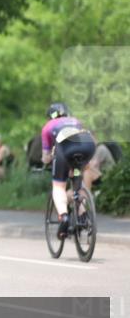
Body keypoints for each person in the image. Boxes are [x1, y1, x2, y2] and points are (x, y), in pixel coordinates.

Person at [40, 102, 95, 239]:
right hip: (87, 147)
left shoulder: (47, 127)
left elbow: (46, 157)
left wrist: (46, 161)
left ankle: (64, 217)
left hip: (65, 150)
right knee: (77, 180)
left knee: (58, 187)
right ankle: (82, 214)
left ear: (51, 116)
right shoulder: (76, 121)